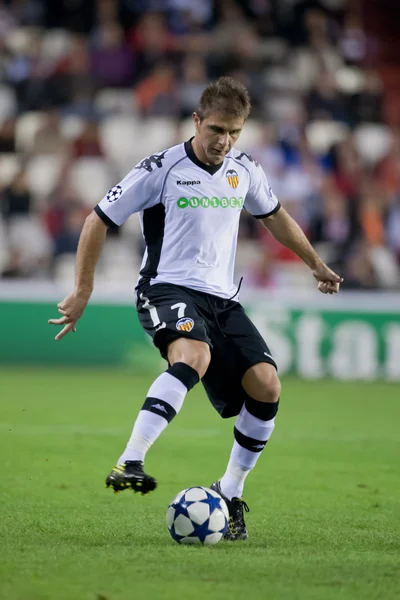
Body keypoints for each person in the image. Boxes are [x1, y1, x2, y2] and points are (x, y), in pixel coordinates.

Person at [48, 77, 342, 541]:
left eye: (235, 132)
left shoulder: (244, 170)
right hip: (165, 288)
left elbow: (276, 217)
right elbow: (97, 220)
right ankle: (131, 459)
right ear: (197, 121)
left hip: (223, 299)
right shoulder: (160, 168)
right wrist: (83, 289)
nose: (224, 141)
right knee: (195, 356)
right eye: (218, 129)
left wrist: (316, 264)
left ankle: (229, 491)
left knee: (267, 385)